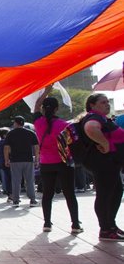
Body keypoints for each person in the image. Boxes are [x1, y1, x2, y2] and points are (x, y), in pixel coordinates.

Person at [33, 87, 81, 234]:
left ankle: (47, 223)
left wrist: (46, 91)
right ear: (57, 109)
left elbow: (35, 107)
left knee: (47, 194)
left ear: (43, 109)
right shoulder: (65, 125)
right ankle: (75, 225)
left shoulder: (38, 123)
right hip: (63, 162)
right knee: (69, 194)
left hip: (46, 163)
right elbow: (71, 144)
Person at [82, 93, 124, 241]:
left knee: (115, 192)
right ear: (92, 105)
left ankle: (110, 226)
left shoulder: (101, 118)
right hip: (105, 163)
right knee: (105, 195)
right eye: (103, 102)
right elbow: (90, 128)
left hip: (109, 164)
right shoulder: (94, 118)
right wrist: (105, 144)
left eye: (107, 102)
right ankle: (105, 229)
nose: (107, 104)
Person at [4, 116, 40, 207]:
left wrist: (6, 159)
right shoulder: (31, 133)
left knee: (16, 181)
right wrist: (36, 159)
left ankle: (16, 200)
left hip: (15, 160)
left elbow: (6, 147)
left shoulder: (10, 134)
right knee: (30, 180)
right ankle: (32, 200)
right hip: (28, 160)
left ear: (16, 123)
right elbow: (36, 147)